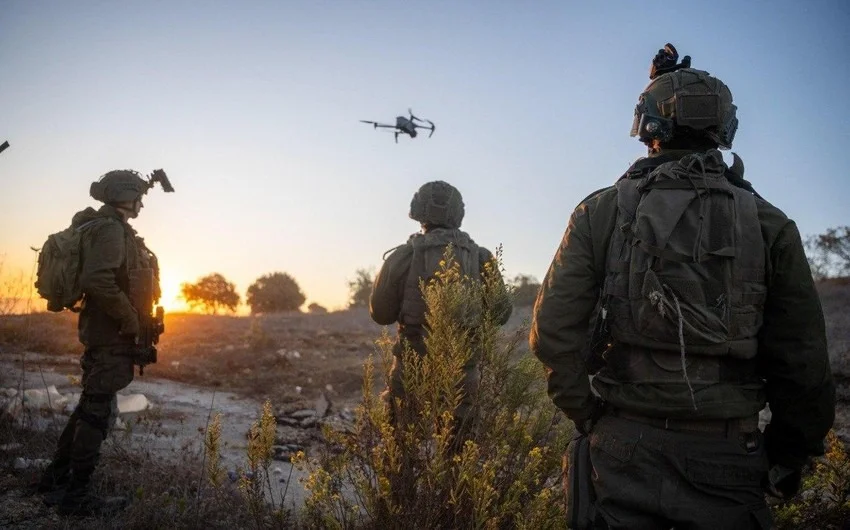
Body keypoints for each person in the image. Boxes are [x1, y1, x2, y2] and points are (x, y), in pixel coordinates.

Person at [530, 45, 835, 529]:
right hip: (728, 454)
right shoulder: (769, 223)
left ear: (647, 126)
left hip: (621, 447)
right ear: (724, 129)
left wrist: (587, 413)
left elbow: (552, 330)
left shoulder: (599, 212)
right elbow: (803, 361)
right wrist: (787, 454)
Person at [37, 170, 163, 516]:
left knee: (90, 406)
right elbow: (97, 279)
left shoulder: (116, 228)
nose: (141, 202)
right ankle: (75, 498)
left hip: (107, 332)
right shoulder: (110, 230)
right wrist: (130, 319)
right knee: (96, 412)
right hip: (111, 334)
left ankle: (54, 481)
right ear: (127, 196)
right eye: (139, 195)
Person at [369, 180, 512, 440]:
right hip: (462, 375)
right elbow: (501, 313)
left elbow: (380, 314)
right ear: (458, 213)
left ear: (418, 211)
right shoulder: (481, 258)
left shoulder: (402, 256)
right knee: (457, 462)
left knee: (400, 455)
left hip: (410, 371)